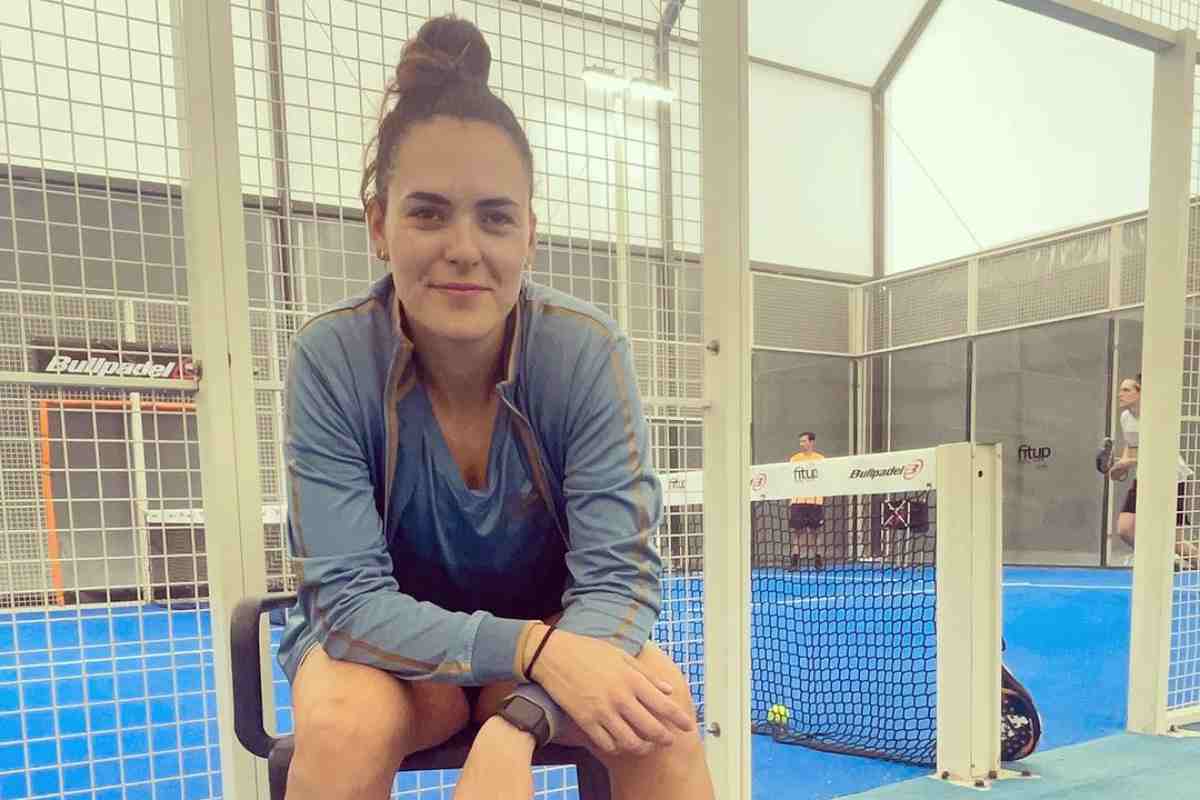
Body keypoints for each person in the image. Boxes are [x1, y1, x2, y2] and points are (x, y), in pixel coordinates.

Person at [275, 15, 714, 800]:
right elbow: (347, 603)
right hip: (394, 662)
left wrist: (520, 720)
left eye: (495, 217)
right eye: (428, 212)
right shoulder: (329, 358)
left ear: (529, 236)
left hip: (554, 644)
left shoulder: (585, 351)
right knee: (343, 725)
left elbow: (617, 579)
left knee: (660, 719)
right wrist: (530, 651)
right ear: (378, 225)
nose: (464, 247)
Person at [1107, 374, 1198, 567]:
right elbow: (1132, 445)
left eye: (1126, 390)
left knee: (1175, 542)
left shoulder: (1157, 417)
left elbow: (1159, 455)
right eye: (1120, 390)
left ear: (1141, 393)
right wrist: (1120, 466)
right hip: (1146, 477)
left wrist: (1128, 463)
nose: (1120, 394)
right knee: (1125, 528)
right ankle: (1162, 561)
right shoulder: (1125, 417)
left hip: (1171, 477)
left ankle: (1187, 561)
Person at [787, 432, 825, 571]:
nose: (801, 444)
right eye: (800, 441)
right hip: (798, 501)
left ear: (811, 442)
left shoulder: (821, 459)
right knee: (797, 533)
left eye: (804, 441)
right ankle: (794, 562)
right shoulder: (794, 459)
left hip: (815, 502)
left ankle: (818, 561)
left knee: (816, 533)